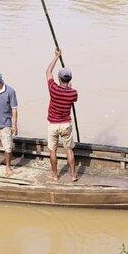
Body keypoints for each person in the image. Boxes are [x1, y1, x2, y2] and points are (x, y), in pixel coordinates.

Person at [45, 49, 79, 182]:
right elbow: (73, 98)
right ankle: (73, 175)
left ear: (59, 79)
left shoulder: (53, 88)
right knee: (69, 149)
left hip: (53, 124)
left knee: (52, 150)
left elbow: (48, 72)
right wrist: (69, 88)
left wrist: (56, 57)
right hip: (66, 124)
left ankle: (54, 175)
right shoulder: (73, 93)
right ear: (69, 79)